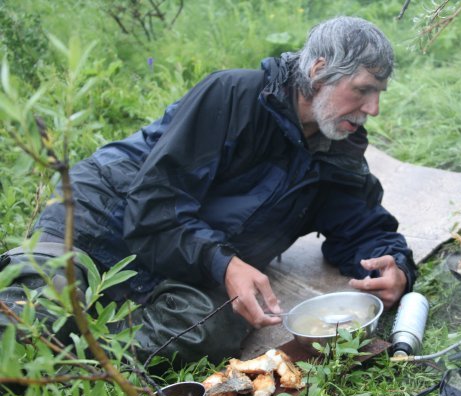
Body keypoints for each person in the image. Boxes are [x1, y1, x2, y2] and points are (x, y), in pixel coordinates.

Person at [0, 16, 417, 367]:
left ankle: (86, 365)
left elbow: (363, 226)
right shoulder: (234, 96)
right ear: (319, 70)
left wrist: (394, 267)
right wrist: (224, 263)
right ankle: (60, 328)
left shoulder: (337, 148)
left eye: (379, 93)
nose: (373, 109)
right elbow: (154, 206)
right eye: (363, 89)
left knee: (217, 327)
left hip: (187, 262)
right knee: (23, 318)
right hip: (106, 216)